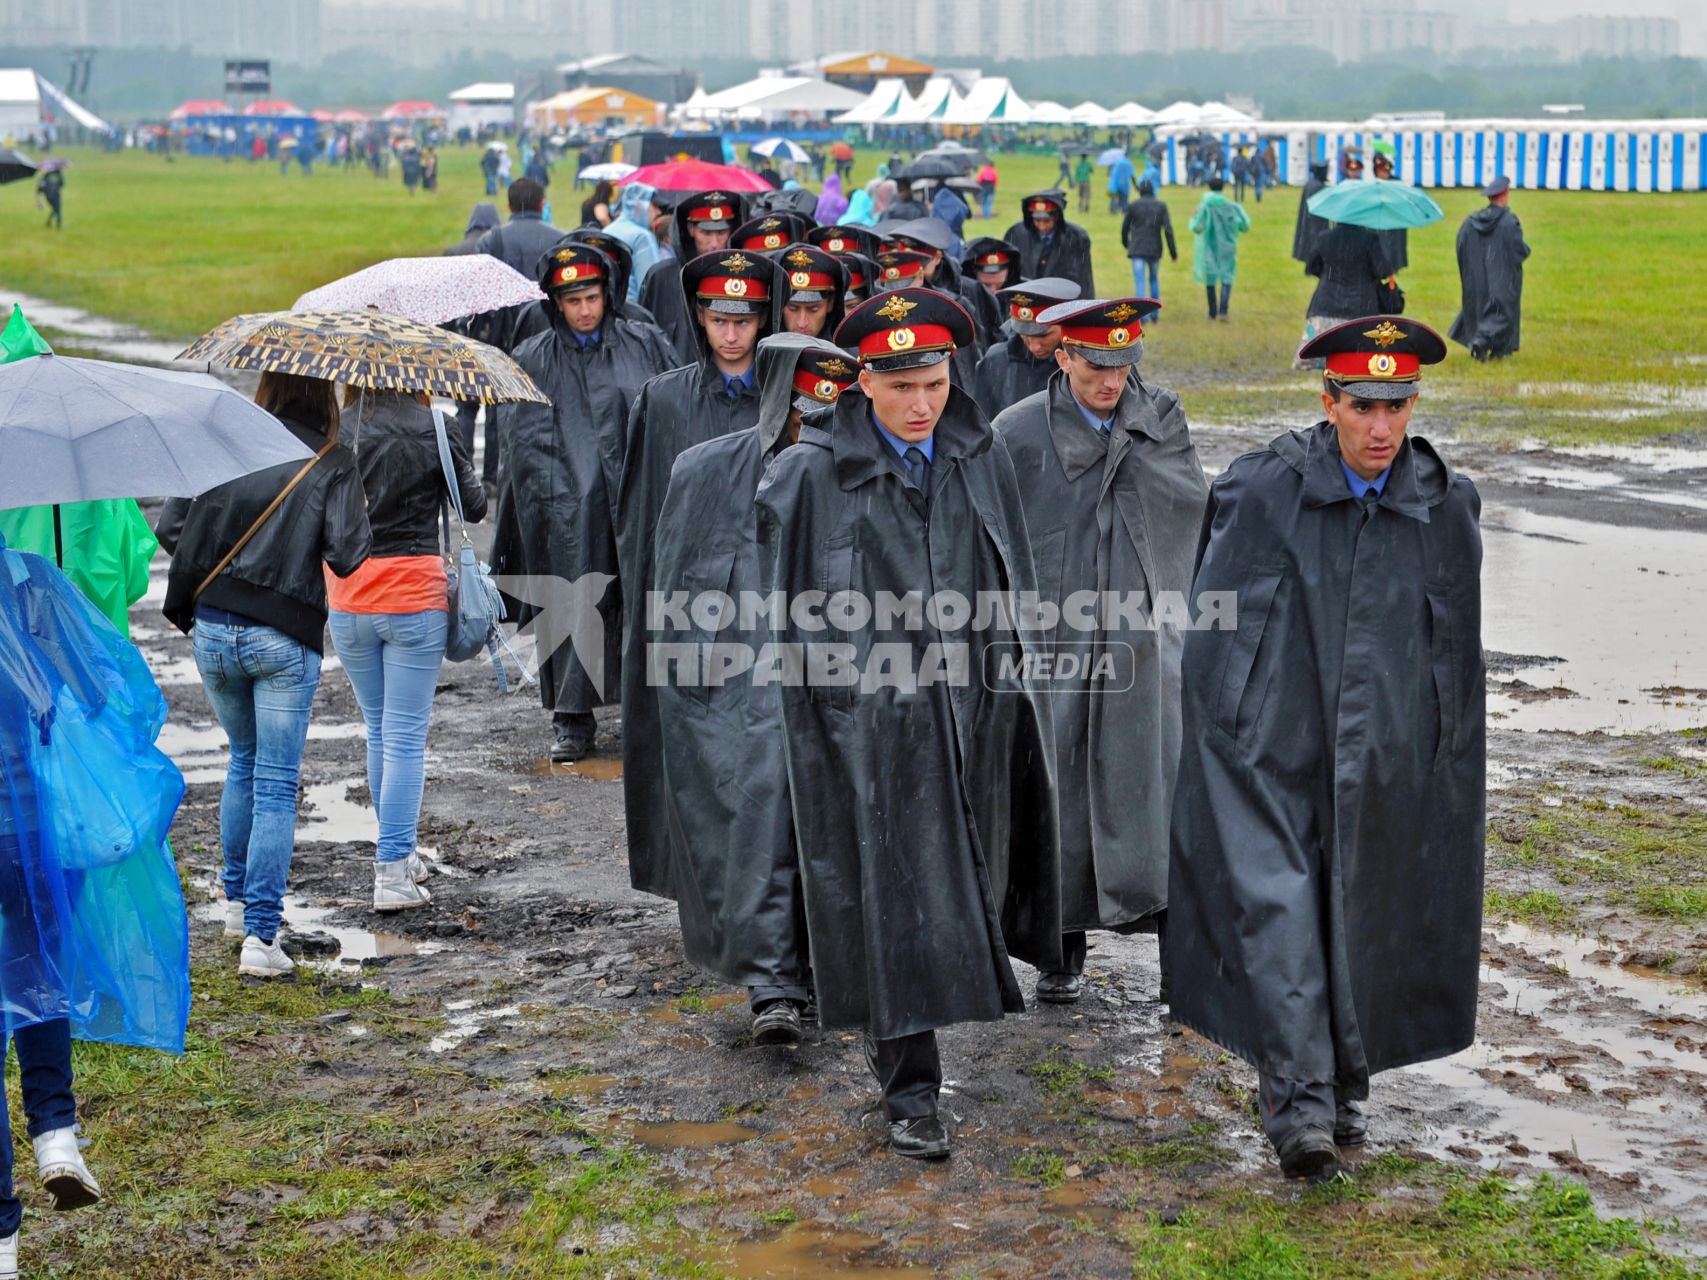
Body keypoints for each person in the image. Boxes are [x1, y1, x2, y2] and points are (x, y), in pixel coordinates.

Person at [1168, 316, 1484, 1184]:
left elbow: (1457, 654)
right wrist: (1227, 736)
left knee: (1367, 917)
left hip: (1385, 754)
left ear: (1415, 402)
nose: (1379, 428)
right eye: (1361, 406)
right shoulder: (1261, 489)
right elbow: (1214, 627)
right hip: (1273, 748)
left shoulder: (1444, 505)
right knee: (1280, 915)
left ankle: (1344, 1078)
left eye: (1396, 405)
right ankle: (1296, 1105)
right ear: (1328, 401)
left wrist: (1438, 749)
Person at [754, 289, 1062, 1160]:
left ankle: (1018, 965)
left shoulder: (977, 453)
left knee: (973, 872)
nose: (921, 404)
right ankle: (909, 1090)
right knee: (888, 897)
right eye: (901, 389)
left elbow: (1014, 580)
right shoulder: (813, 473)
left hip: (974, 709)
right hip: (872, 729)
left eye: (932, 382)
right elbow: (790, 622)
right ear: (861, 387)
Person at [994, 297, 1207, 1005]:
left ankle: (1184, 967)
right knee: (1061, 799)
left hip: (1146, 651)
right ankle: (1060, 952)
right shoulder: (1017, 433)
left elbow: (1185, 516)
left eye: (1123, 364)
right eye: (1094, 364)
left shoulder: (1160, 418)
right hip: (1056, 648)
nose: (1111, 381)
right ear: (1060, 356)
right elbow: (998, 541)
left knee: (1161, 794)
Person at [651, 334, 857, 1047]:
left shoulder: (856, 472)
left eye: (830, 414)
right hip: (741, 683)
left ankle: (825, 969)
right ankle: (774, 983)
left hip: (840, 680)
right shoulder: (705, 469)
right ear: (777, 403)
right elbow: (678, 587)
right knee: (757, 820)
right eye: (804, 412)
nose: (816, 428)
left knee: (832, 828)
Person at [155, 373, 372, 978]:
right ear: (324, 396)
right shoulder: (334, 461)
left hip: (214, 630)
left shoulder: (225, 437)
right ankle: (260, 936)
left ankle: (233, 902)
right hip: (282, 636)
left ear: (268, 387)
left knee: (242, 762)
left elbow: (171, 527)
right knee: (277, 782)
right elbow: (349, 555)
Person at [616, 249, 784, 898]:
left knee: (764, 755)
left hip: (769, 604)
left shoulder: (789, 400)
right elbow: (638, 519)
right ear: (700, 317)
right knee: (694, 753)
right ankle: (706, 887)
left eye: (746, 319)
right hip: (689, 610)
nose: (733, 333)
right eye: (720, 318)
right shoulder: (662, 401)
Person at [490, 243, 678, 763]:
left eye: (592, 296)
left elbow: (673, 413)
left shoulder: (644, 344)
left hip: (639, 499)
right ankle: (572, 718)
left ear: (608, 293)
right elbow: (519, 452)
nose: (584, 309)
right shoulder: (531, 359)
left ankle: (654, 712)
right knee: (569, 603)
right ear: (555, 302)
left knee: (646, 602)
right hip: (565, 511)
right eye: (572, 300)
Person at [330, 388, 486, 910]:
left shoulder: (340, 426)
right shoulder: (437, 426)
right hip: (413, 600)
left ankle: (398, 850)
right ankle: (392, 868)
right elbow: (475, 507)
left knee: (379, 728)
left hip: (349, 597)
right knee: (404, 738)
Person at [641, 190, 746, 362]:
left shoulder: (743, 279)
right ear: (691, 229)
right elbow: (645, 337)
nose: (714, 243)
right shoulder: (660, 277)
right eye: (706, 233)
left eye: (721, 233)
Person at [476, 178, 566, 353]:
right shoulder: (561, 239)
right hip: (551, 332)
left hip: (505, 334)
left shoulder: (490, 240)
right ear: (542, 205)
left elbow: (482, 293)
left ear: (509, 206)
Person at [971, 277, 1081, 419]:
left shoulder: (1083, 362)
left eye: (1043, 335)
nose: (1034, 346)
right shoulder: (995, 361)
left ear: (1065, 324)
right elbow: (981, 425)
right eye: (1025, 334)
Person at [1450, 176, 1530, 362]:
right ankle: (1485, 342)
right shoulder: (1509, 222)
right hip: (1502, 277)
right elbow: (1518, 250)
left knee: (1479, 308)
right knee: (1504, 310)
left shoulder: (1470, 222)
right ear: (1505, 194)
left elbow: (1461, 247)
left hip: (1477, 277)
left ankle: (1481, 343)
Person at [1297, 222, 1394, 368]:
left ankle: (1330, 390)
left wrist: (1330, 276)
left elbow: (1311, 267)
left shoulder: (1325, 237)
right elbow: (1383, 271)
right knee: (1359, 365)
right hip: (1361, 312)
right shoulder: (1369, 238)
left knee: (1329, 363)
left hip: (1326, 309)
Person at [1004, 190, 1095, 297]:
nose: (1042, 226)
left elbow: (1084, 278)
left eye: (1046, 221)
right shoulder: (1016, 234)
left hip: (1062, 299)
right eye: (1037, 220)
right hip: (1026, 299)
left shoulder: (1077, 237)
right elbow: (1008, 275)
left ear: (1056, 217)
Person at [1190, 177, 1250, 321]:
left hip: (1210, 247)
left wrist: (1193, 217)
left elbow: (1196, 228)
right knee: (1227, 276)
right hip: (1228, 247)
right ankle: (1223, 311)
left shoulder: (1205, 207)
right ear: (1223, 188)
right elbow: (1245, 225)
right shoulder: (1233, 206)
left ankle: (1212, 312)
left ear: (1209, 188)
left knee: (1210, 278)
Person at [600, 181, 664, 305]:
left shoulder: (605, 231)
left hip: (605, 311)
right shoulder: (642, 237)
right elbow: (652, 287)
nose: (658, 212)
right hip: (634, 315)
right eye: (654, 206)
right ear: (640, 205)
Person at [1121, 180, 1177, 307]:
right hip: (1154, 248)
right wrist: (1173, 252)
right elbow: (1168, 230)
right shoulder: (1161, 206)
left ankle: (1142, 315)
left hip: (1137, 248)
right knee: (1153, 279)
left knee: (1140, 282)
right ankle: (1154, 312)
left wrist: (1126, 244)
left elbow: (1125, 228)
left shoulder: (1133, 205)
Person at [777, 245, 848, 339]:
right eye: (792, 308)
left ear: (830, 303)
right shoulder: (761, 352)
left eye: (813, 310)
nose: (801, 323)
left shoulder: (849, 353)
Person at [1291, 162, 1331, 266]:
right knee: (1315, 241)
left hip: (1311, 219)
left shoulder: (1312, 184)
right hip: (1316, 221)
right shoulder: (1317, 186)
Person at [1107, 148, 1135, 214]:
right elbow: (1132, 175)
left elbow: (1111, 174)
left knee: (1114, 199)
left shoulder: (1118, 162)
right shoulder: (1128, 163)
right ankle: (1123, 210)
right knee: (1124, 201)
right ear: (1129, 155)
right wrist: (1136, 186)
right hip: (1123, 185)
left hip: (1113, 185)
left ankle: (1113, 209)